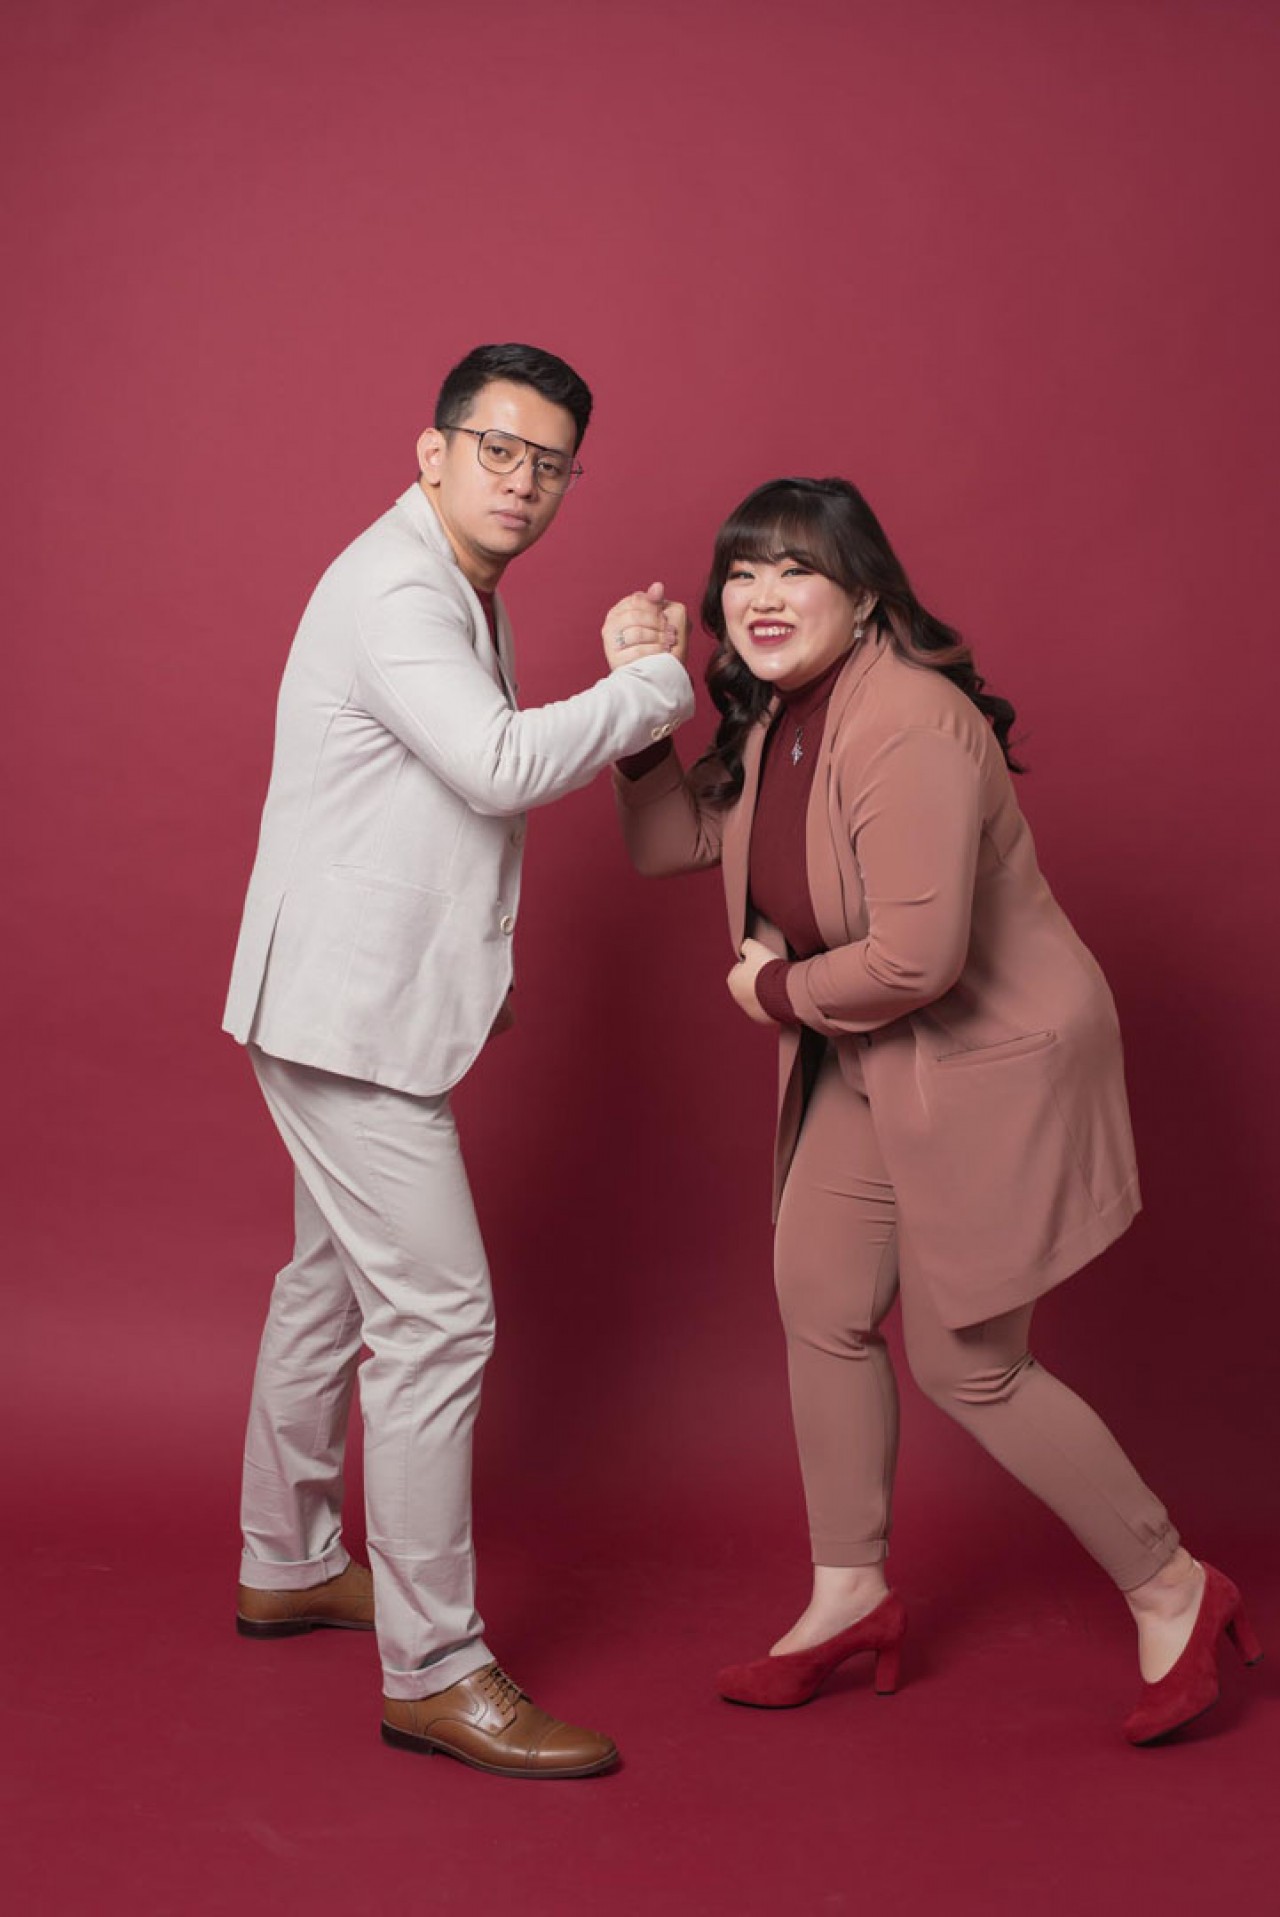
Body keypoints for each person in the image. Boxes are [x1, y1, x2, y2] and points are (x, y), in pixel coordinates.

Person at [610, 475, 1261, 1744]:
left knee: (969, 1362)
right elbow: (666, 844)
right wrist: (644, 709)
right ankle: (848, 1595)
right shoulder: (774, 719)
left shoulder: (905, 719)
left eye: (795, 570)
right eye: (740, 573)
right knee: (820, 1301)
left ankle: (1174, 1586)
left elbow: (915, 960)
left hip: (983, 1058)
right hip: (870, 1054)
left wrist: (771, 991)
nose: (760, 596)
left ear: (863, 597)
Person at [223, 342, 693, 1778]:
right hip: (344, 1021)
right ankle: (434, 1670)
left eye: (551, 463)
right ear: (432, 452)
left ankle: (288, 1560)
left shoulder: (449, 580)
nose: (524, 482)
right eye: (499, 449)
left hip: (347, 1004)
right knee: (436, 1320)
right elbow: (494, 765)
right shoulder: (398, 587)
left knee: (328, 1284)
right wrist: (650, 686)